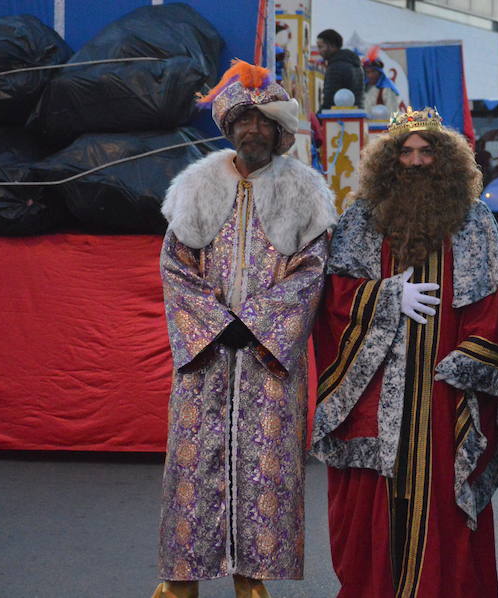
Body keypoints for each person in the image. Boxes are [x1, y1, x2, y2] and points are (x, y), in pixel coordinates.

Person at [311, 107, 498, 597]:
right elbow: (335, 297)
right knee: (373, 501)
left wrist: (467, 361)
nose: (417, 161)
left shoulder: (476, 220)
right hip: (375, 389)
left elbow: (493, 305)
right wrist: (386, 297)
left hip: (445, 391)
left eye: (427, 151)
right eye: (406, 152)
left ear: (445, 159)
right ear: (390, 160)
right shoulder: (362, 218)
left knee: (444, 494)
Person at [152, 60, 336, 598]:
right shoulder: (196, 187)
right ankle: (180, 579)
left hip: (266, 357)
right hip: (206, 355)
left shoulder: (306, 193)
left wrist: (256, 325)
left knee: (266, 468)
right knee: (192, 465)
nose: (253, 130)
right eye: (244, 121)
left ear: (280, 133)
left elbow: (311, 271)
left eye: (264, 123)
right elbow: (175, 266)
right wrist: (214, 325)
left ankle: (250, 578)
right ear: (230, 127)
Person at [317, 29, 364, 110]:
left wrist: (318, 116)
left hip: (339, 115)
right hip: (356, 112)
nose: (319, 51)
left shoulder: (335, 67)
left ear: (332, 46)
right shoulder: (355, 64)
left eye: (321, 47)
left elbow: (329, 99)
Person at [363, 47, 402, 117]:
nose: (370, 75)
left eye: (373, 72)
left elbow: (393, 113)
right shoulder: (364, 88)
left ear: (380, 73)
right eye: (368, 72)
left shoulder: (387, 89)